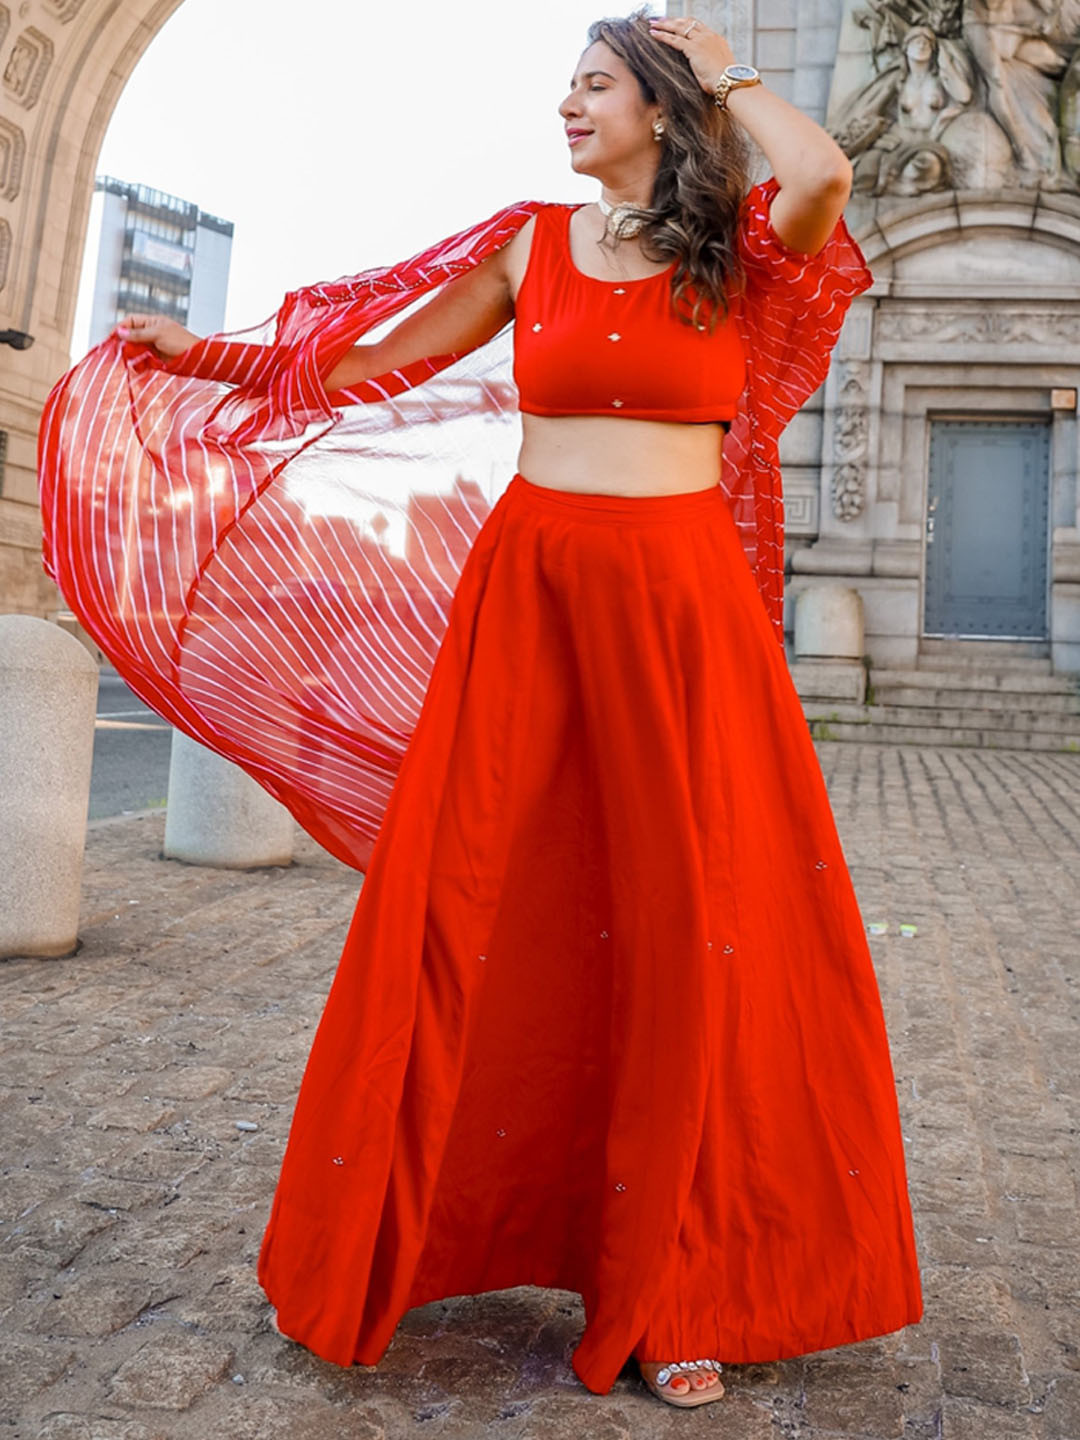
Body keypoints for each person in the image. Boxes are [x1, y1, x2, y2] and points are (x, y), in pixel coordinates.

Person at [38, 7, 923, 1413]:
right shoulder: (529, 242)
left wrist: (730, 70)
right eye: (564, 88)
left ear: (660, 104)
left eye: (594, 86)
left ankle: (683, 1282)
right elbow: (367, 362)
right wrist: (204, 360)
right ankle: (417, 1241)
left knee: (692, 918)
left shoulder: (734, 252)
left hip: (685, 617)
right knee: (473, 903)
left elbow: (821, 176)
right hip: (533, 600)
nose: (567, 108)